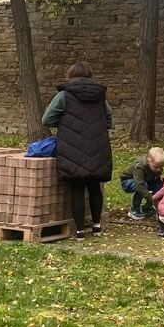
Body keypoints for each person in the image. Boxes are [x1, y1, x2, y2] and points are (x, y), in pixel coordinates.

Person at [42, 62, 113, 239]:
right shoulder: (100, 96)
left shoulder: (64, 95)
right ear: (90, 76)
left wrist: (63, 123)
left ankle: (80, 231)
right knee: (94, 185)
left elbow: (47, 119)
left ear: (70, 75)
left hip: (72, 146)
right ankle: (96, 226)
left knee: (77, 188)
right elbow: (109, 118)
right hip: (98, 145)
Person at [120, 146, 164, 220]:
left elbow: (157, 172)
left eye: (160, 167)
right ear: (148, 161)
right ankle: (134, 209)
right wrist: (151, 198)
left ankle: (148, 207)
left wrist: (159, 176)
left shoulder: (156, 166)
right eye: (156, 167)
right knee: (142, 186)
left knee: (161, 182)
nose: (158, 169)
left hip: (145, 180)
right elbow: (139, 185)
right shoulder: (140, 167)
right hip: (128, 181)